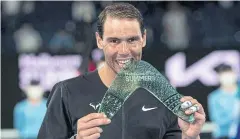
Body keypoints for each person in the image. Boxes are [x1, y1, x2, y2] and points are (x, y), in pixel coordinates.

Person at [38, 3, 205, 139]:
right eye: (114, 41)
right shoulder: (66, 92)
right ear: (99, 40)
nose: (124, 50)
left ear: (144, 39)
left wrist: (191, 137)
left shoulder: (163, 96)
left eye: (132, 40)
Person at [208, 64, 240, 139]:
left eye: (229, 73)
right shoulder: (214, 97)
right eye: (224, 75)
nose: (227, 78)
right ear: (219, 77)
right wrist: (235, 114)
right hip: (224, 136)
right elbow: (217, 120)